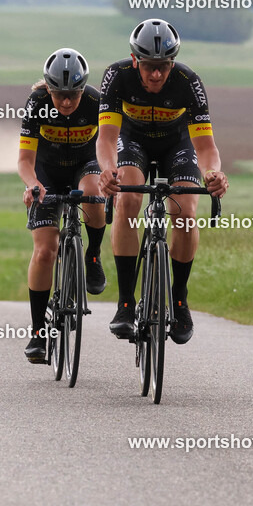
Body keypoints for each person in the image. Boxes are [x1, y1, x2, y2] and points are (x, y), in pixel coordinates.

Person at [97, 19, 228, 345]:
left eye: (164, 66)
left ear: (172, 63)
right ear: (134, 59)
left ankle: (179, 299)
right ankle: (126, 302)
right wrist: (108, 171)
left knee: (185, 210)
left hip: (176, 145)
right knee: (127, 200)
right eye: (150, 67)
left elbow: (206, 147)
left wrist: (213, 173)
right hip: (133, 141)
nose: (157, 74)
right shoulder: (117, 76)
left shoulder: (188, 81)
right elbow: (106, 138)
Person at [17, 48, 107, 363]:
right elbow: (25, 160)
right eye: (59, 95)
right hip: (47, 174)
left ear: (83, 90)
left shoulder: (97, 103)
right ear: (49, 89)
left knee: (95, 194)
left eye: (73, 95)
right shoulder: (37, 104)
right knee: (44, 251)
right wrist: (32, 184)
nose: (66, 102)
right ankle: (39, 332)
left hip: (85, 166)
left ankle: (92, 255)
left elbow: (110, 145)